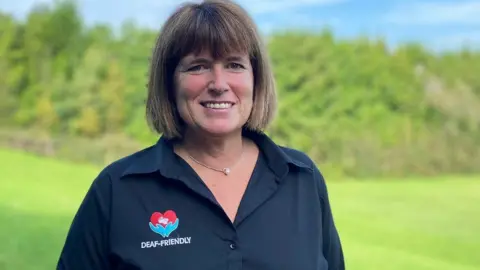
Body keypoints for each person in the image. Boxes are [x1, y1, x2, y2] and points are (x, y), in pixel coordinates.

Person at [57, 0, 345, 269]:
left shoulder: (303, 179)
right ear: (169, 84)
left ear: (255, 79)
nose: (219, 84)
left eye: (234, 65)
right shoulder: (116, 190)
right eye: (198, 66)